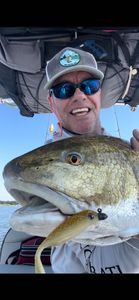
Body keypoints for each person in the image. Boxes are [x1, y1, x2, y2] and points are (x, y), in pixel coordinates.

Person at [43, 46, 139, 274]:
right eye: (64, 89)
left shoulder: (128, 153)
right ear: (51, 103)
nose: (79, 95)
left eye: (89, 86)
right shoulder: (46, 165)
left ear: (99, 94)